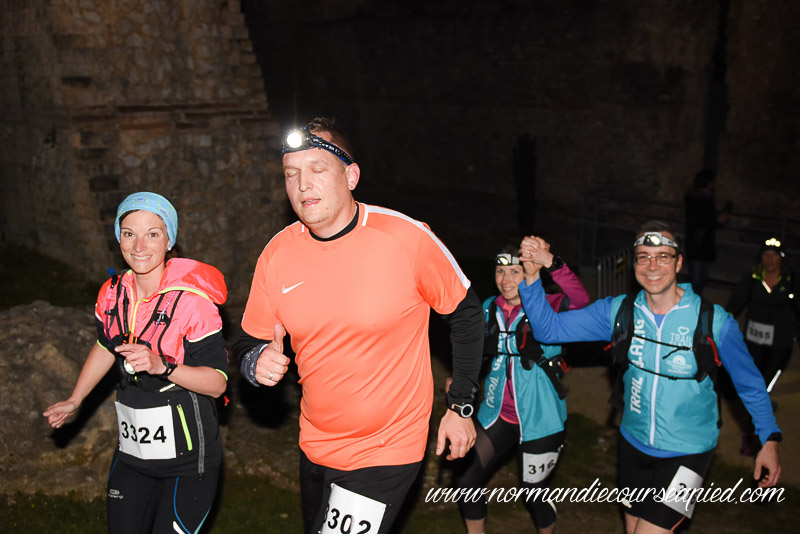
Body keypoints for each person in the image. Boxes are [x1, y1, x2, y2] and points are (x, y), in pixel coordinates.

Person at [232, 117, 483, 534]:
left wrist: (461, 406)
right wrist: (254, 361)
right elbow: (247, 339)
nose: (302, 185)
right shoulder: (277, 254)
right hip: (315, 445)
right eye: (291, 174)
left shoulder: (404, 238)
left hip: (386, 450)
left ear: (350, 177)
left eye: (317, 169)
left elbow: (467, 314)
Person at [517, 222, 781, 534]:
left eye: (663, 256)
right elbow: (550, 330)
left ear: (679, 263)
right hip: (633, 444)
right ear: (634, 265)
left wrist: (769, 439)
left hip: (689, 450)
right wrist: (532, 276)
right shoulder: (619, 312)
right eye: (643, 257)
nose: (652, 266)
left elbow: (750, 384)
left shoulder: (713, 322)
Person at [44, 192, 229, 534]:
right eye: (129, 233)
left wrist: (164, 367)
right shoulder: (112, 293)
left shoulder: (193, 304)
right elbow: (105, 346)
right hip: (133, 455)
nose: (139, 246)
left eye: (153, 234)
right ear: (119, 238)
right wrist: (75, 399)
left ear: (169, 240)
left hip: (189, 462)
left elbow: (218, 384)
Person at [453, 241, 589, 534]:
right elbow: (474, 351)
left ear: (528, 271)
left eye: (515, 271)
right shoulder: (490, 307)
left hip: (541, 419)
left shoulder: (549, 304)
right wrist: (460, 379)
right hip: (496, 414)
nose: (506, 280)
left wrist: (551, 263)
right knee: (466, 481)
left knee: (533, 494)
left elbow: (581, 301)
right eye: (500, 271)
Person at [725, 237, 799, 454]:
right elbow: (735, 303)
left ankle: (755, 430)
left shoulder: (791, 280)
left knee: (764, 387)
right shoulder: (753, 277)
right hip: (753, 343)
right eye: (766, 254)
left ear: (782, 258)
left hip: (780, 344)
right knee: (754, 388)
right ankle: (749, 434)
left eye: (774, 255)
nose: (770, 259)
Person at [683, 169, 731, 294]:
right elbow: (697, 220)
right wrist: (716, 220)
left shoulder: (705, 197)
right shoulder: (696, 198)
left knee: (701, 279)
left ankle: (695, 302)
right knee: (697, 280)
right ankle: (692, 303)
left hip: (702, 244)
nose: (714, 184)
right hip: (697, 244)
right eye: (712, 181)